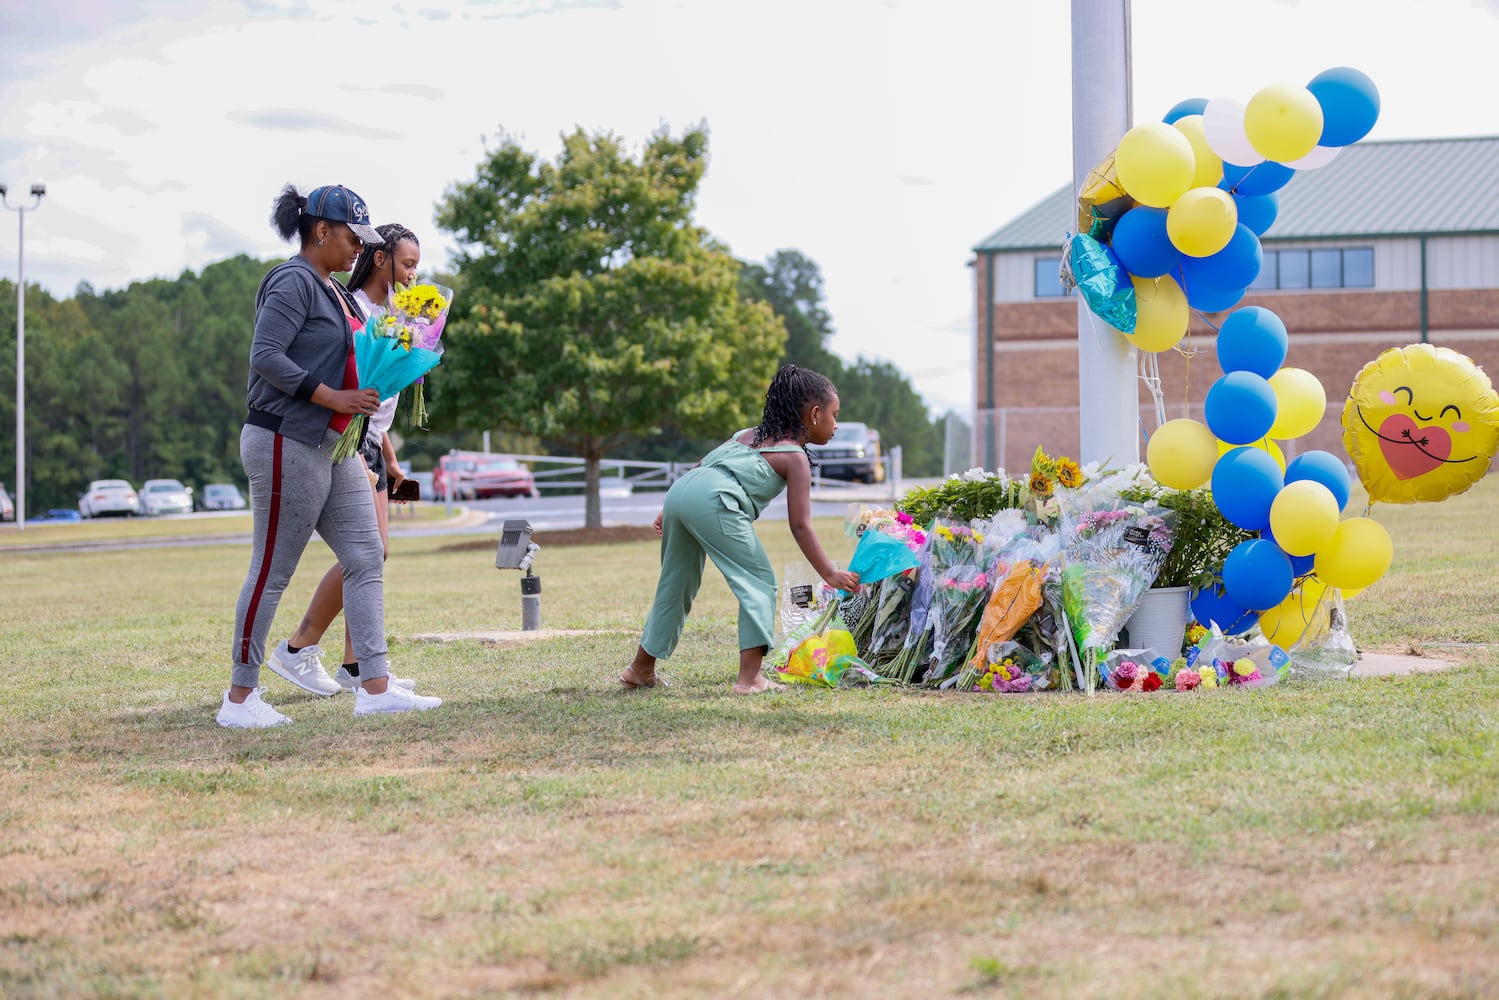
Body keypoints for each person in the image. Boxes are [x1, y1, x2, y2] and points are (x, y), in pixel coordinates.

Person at [217, 184, 442, 728]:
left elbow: (363, 353)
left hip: (333, 444)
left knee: (366, 555)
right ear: (322, 231)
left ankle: (375, 686)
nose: (358, 251)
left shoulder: (337, 291)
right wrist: (333, 396)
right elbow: (265, 356)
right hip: (283, 438)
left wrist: (405, 351)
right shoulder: (293, 280)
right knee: (272, 569)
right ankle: (239, 700)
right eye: (351, 239)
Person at [620, 364, 861, 695]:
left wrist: (670, 507)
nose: (836, 425)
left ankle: (640, 669)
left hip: (682, 492)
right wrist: (830, 574)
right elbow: (800, 526)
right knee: (759, 581)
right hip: (714, 500)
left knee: (675, 586)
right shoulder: (795, 458)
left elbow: (703, 465)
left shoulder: (749, 434)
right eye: (835, 415)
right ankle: (749, 680)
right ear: (815, 414)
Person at [263, 223, 423, 698]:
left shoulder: (398, 314)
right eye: (408, 264)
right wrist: (362, 450)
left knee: (374, 554)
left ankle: (356, 666)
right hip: (345, 442)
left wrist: (390, 462)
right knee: (366, 554)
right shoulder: (358, 312)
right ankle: (298, 647)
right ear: (381, 259)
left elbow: (378, 409)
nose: (414, 275)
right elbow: (351, 392)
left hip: (370, 442)